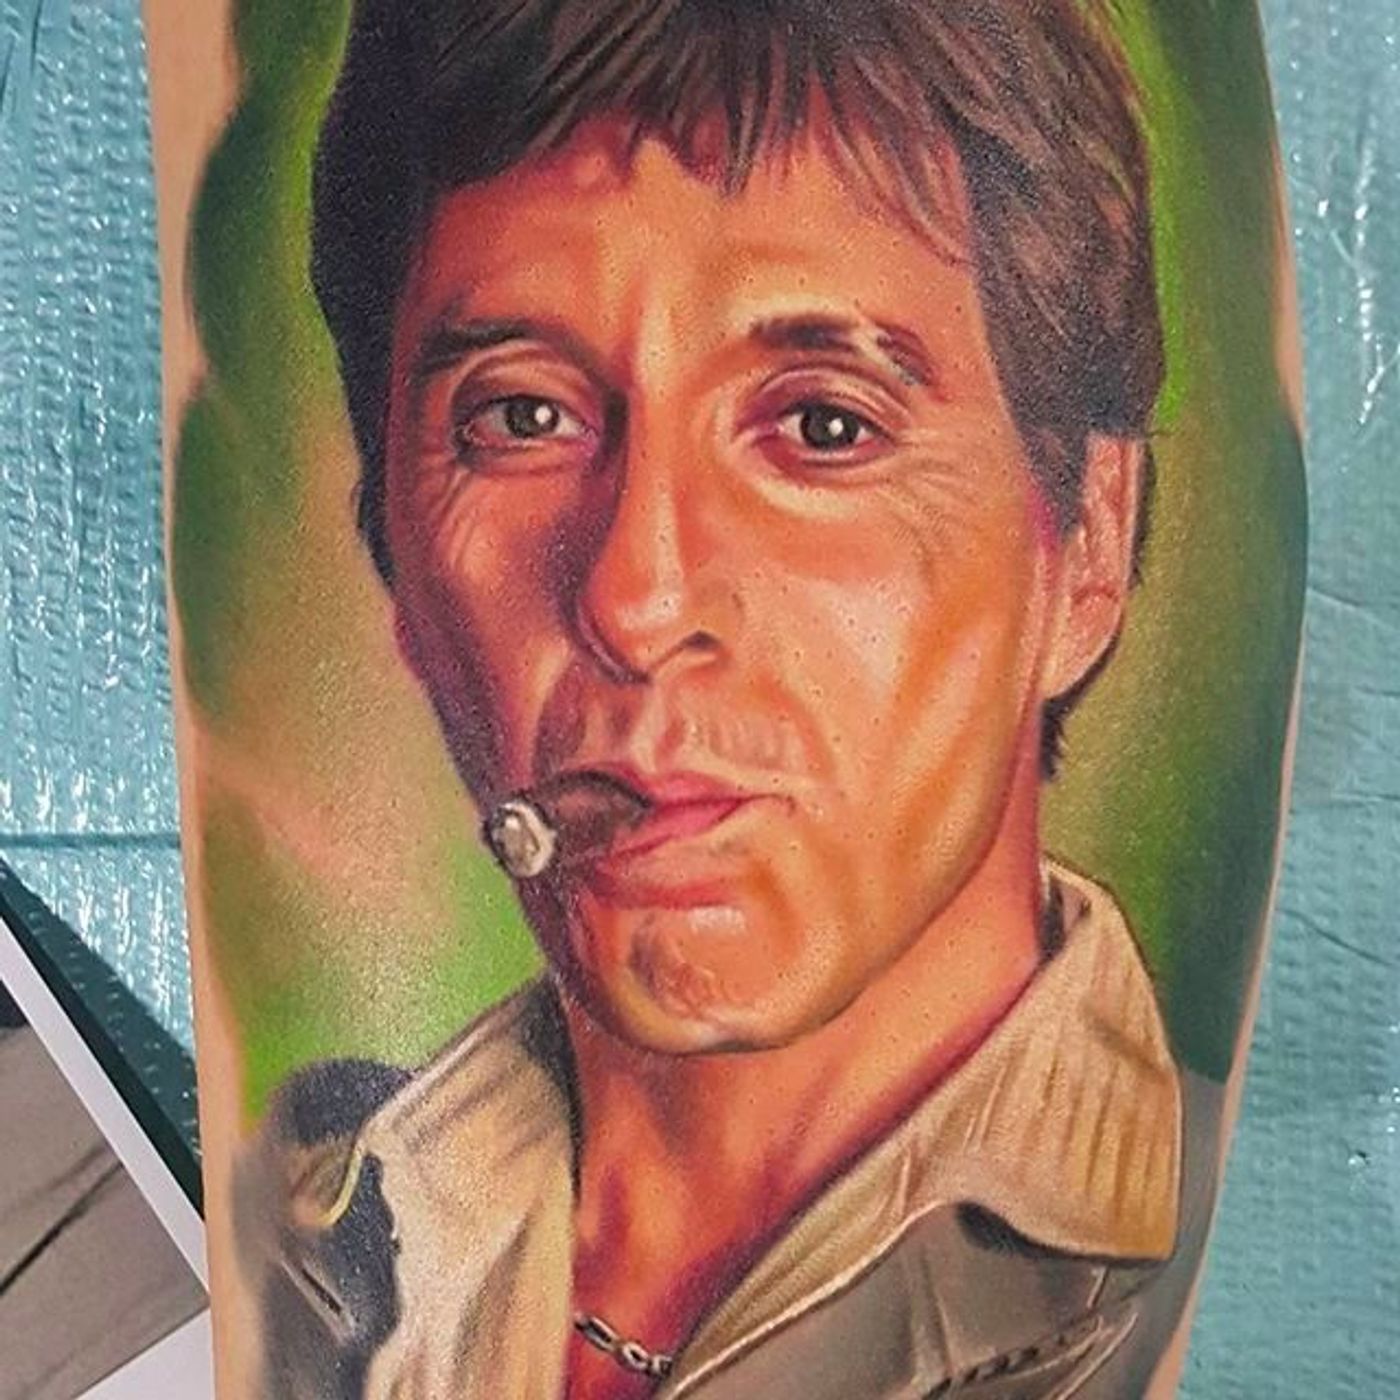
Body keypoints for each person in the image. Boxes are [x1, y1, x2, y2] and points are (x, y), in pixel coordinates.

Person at [218, 0, 1231, 1394]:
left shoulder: (1239, 1253)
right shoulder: (295, 1235)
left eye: (824, 426)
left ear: (1088, 547)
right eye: (522, 416)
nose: (636, 599)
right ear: (392, 547)